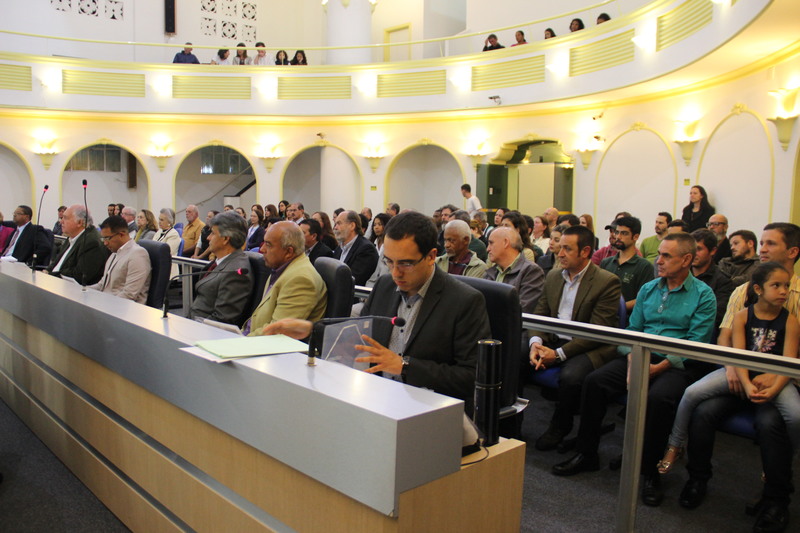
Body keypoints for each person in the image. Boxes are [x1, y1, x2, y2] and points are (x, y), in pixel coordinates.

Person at [266, 212, 492, 412]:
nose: (396, 273)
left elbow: (471, 377)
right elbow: (359, 334)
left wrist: (404, 366)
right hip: (377, 400)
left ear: (432, 256)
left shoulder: (465, 301)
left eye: (406, 264)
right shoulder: (385, 285)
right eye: (389, 262)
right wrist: (311, 329)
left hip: (427, 410)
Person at [553, 233, 716, 510]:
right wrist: (634, 363)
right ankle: (586, 452)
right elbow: (631, 333)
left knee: (658, 399)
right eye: (659, 254)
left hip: (677, 365)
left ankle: (650, 472)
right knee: (595, 382)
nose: (658, 261)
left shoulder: (703, 295)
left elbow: (695, 343)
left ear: (686, 260)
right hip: (639, 357)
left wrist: (658, 367)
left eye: (666, 256)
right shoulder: (649, 289)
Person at [659, 263, 800, 490]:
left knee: (796, 416)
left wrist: (773, 389)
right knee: (691, 393)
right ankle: (674, 445)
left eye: (785, 286)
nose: (784, 291)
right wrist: (745, 383)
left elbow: (789, 362)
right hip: (741, 373)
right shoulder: (743, 316)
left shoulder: (791, 320)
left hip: (775, 379)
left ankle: (784, 460)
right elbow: (738, 355)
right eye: (776, 285)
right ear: (758, 289)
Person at [697, 222, 800, 531]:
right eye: (762, 242)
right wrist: (731, 368)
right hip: (738, 373)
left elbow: (794, 352)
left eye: (770, 244)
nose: (762, 249)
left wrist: (773, 375)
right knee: (703, 412)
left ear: (793, 252)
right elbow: (725, 336)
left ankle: (776, 499)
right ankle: (697, 479)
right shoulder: (745, 289)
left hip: (781, 381)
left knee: (771, 424)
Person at [529, 225, 621, 451]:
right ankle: (509, 418)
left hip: (588, 345)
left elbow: (596, 332)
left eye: (567, 249)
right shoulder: (552, 275)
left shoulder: (606, 281)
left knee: (571, 376)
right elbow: (539, 315)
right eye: (559, 248)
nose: (559, 254)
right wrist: (536, 343)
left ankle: (560, 426)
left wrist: (558, 355)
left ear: (585, 252)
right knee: (513, 353)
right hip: (553, 339)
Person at [245, 221, 327, 335]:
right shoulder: (281, 267)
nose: (262, 249)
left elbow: (277, 333)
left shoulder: (301, 280)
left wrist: (238, 341)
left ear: (289, 251)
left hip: (265, 347)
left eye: (268, 244)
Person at [189, 212, 254, 325]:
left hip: (203, 332)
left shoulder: (236, 271)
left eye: (213, 233)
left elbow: (222, 319)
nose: (208, 238)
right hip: (192, 324)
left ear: (225, 239)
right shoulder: (219, 262)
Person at [89, 215, 151, 304]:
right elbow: (102, 285)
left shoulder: (138, 254)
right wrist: (83, 290)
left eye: (107, 238)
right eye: (103, 239)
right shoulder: (115, 253)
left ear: (121, 234)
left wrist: (101, 303)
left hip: (124, 311)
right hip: (108, 304)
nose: (105, 243)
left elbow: (129, 295)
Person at [600, 216, 654, 313]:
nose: (618, 237)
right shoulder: (606, 262)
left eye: (624, 233)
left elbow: (643, 298)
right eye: (617, 232)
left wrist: (618, 308)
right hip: (603, 316)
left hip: (628, 320)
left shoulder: (644, 266)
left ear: (635, 237)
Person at [484, 226, 544, 313]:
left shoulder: (531, 272)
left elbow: (521, 310)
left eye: (491, 243)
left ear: (505, 242)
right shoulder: (491, 272)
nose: (488, 249)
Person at [690, 229, 734, 342]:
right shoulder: (681, 275)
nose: (694, 253)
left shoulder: (723, 281)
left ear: (713, 251)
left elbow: (715, 317)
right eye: (691, 248)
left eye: (699, 249)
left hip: (703, 339)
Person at [48, 205, 109, 285]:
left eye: (65, 218)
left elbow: (79, 275)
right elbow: (57, 262)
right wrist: (47, 271)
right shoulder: (71, 237)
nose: (61, 222)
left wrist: (51, 275)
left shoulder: (91, 242)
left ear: (79, 222)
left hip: (73, 290)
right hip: (56, 282)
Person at [333, 210, 379, 286]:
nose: (335, 227)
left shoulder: (366, 249)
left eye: (339, 223)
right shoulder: (339, 249)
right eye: (335, 224)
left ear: (352, 226)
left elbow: (355, 279)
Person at [153, 208, 181, 277]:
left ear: (169, 221)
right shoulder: (159, 232)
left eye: (162, 220)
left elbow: (166, 252)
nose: (159, 222)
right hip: (157, 264)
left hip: (168, 269)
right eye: (159, 219)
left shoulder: (173, 234)